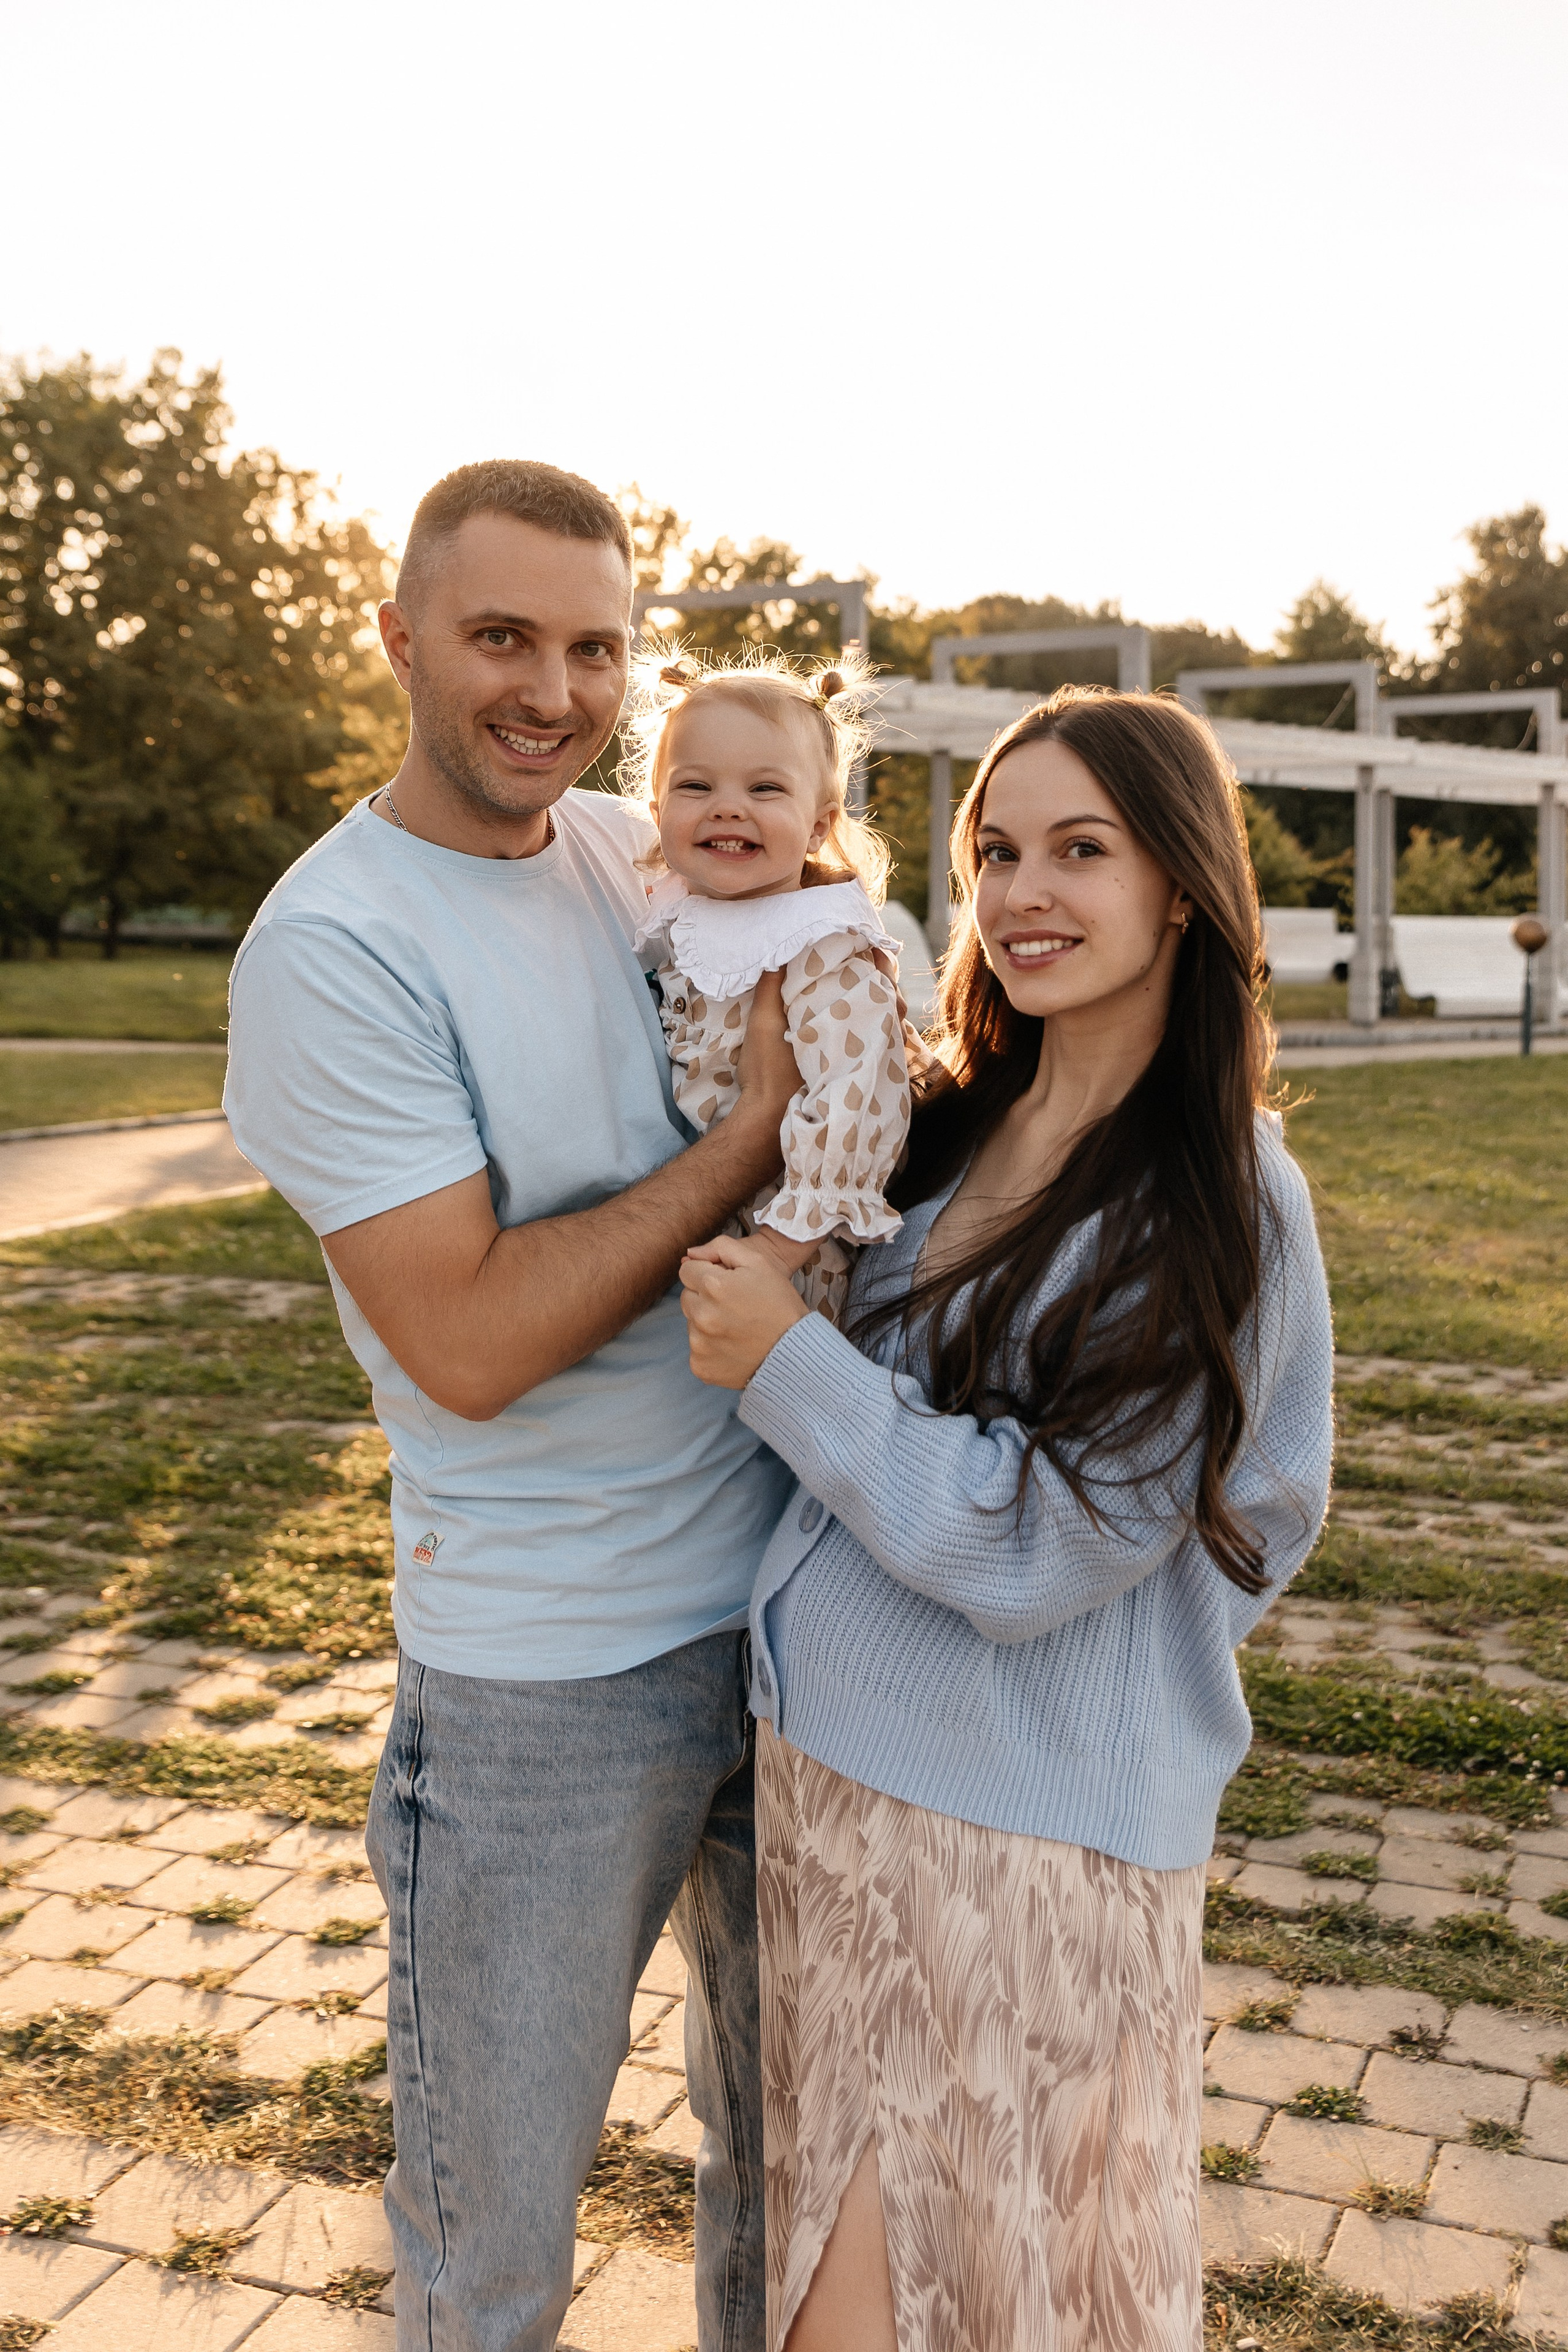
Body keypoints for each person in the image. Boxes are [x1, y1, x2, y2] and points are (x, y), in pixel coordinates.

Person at [679, 687, 1336, 2352]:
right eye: (994, 853)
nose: (1023, 891)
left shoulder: (1225, 1191)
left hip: (1018, 1852)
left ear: (1182, 885)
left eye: (1080, 851)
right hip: (830, 1808)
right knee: (844, 2290)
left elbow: (1049, 1549)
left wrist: (792, 1364)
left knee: (993, 2304)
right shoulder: (946, 1124)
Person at [224, 459, 801, 2352]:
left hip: (798, 1624)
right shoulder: (334, 947)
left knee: (792, 2188)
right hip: (545, 1682)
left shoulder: (635, 848)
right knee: (495, 2260)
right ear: (395, 640)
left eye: (592, 646)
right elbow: (466, 1338)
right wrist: (747, 1146)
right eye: (499, 637)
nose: (550, 688)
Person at [627, 647, 911, 1319]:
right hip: (708, 1217)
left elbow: (861, 1093)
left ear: (818, 824)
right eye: (696, 787)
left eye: (764, 789)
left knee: (788, 1392)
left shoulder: (820, 941)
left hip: (797, 1244)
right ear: (656, 807)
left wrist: (781, 1246)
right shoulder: (672, 917)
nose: (728, 809)